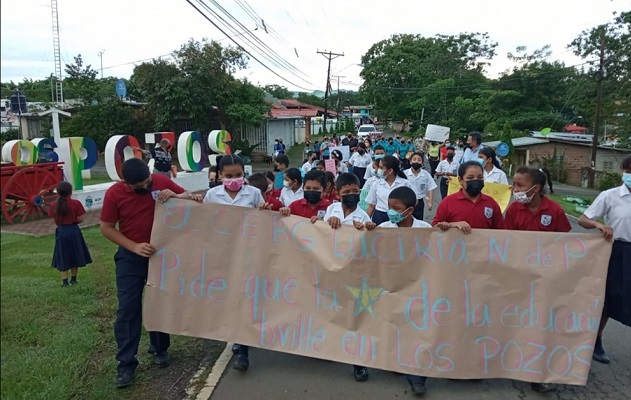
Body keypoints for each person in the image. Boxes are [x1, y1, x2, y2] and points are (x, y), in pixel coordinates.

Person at [100, 158, 201, 388]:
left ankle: (160, 348)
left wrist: (176, 195)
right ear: (125, 183)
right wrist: (134, 246)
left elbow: (190, 197)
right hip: (130, 258)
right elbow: (106, 228)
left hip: (161, 256)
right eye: (140, 187)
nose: (146, 188)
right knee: (128, 309)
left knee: (159, 302)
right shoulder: (115, 194)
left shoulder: (159, 181)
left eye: (148, 183)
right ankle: (126, 364)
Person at [502, 166, 571, 394]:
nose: (515, 189)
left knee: (542, 327)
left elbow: (565, 246)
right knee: (518, 325)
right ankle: (512, 363)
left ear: (536, 188)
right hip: (518, 280)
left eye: (520, 185)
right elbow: (505, 243)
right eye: (515, 184)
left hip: (545, 281)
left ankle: (540, 373)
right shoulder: (513, 210)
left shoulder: (555, 211)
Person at [204, 155, 266, 371]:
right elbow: (204, 223)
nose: (234, 180)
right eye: (229, 176)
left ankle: (243, 349)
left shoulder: (254, 194)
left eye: (238, 175)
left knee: (245, 299)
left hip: (248, 253)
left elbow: (265, 220)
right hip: (223, 255)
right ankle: (235, 336)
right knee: (228, 299)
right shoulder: (212, 196)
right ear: (220, 175)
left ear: (244, 174)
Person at [376, 186, 431, 395]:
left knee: (416, 332)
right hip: (391, 287)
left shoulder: (425, 229)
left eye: (396, 208)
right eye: (389, 207)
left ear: (410, 209)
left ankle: (417, 378)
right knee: (393, 327)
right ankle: (395, 362)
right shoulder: (383, 228)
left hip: (417, 289)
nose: (391, 211)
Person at [578, 154, 631, 364]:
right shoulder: (610, 196)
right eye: (629, 171)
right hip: (617, 250)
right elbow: (583, 220)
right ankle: (596, 339)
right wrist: (599, 225)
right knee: (609, 297)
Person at [432, 160, 503, 231]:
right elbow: (434, 228)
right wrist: (453, 225)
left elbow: (501, 230)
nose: (476, 180)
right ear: (460, 180)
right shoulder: (448, 202)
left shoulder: (491, 203)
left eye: (480, 177)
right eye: (470, 178)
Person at [49, 181, 92, 287]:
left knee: (62, 254)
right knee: (75, 252)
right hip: (73, 230)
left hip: (61, 231)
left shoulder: (53, 205)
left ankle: (64, 282)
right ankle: (73, 279)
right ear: (70, 192)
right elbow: (81, 218)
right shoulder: (76, 203)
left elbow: (54, 218)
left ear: (58, 192)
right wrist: (74, 222)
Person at [366, 155, 411, 224]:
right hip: (380, 216)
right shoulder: (376, 184)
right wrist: (366, 221)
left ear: (390, 171)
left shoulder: (405, 184)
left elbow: (412, 202)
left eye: (381, 168)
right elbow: (371, 205)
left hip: (397, 216)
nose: (378, 170)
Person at [404, 152, 436, 220]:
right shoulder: (405, 174)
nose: (416, 161)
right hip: (406, 202)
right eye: (414, 159)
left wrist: (430, 202)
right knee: (405, 221)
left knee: (418, 221)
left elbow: (431, 187)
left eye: (419, 160)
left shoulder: (426, 174)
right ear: (410, 161)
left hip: (419, 203)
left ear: (422, 163)